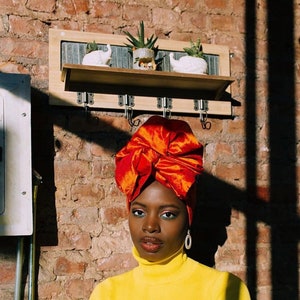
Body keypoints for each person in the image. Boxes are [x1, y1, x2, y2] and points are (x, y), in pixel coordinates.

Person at [89, 116, 251, 300]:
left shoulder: (223, 289)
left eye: (167, 214)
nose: (150, 226)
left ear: (188, 218)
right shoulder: (107, 293)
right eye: (139, 212)